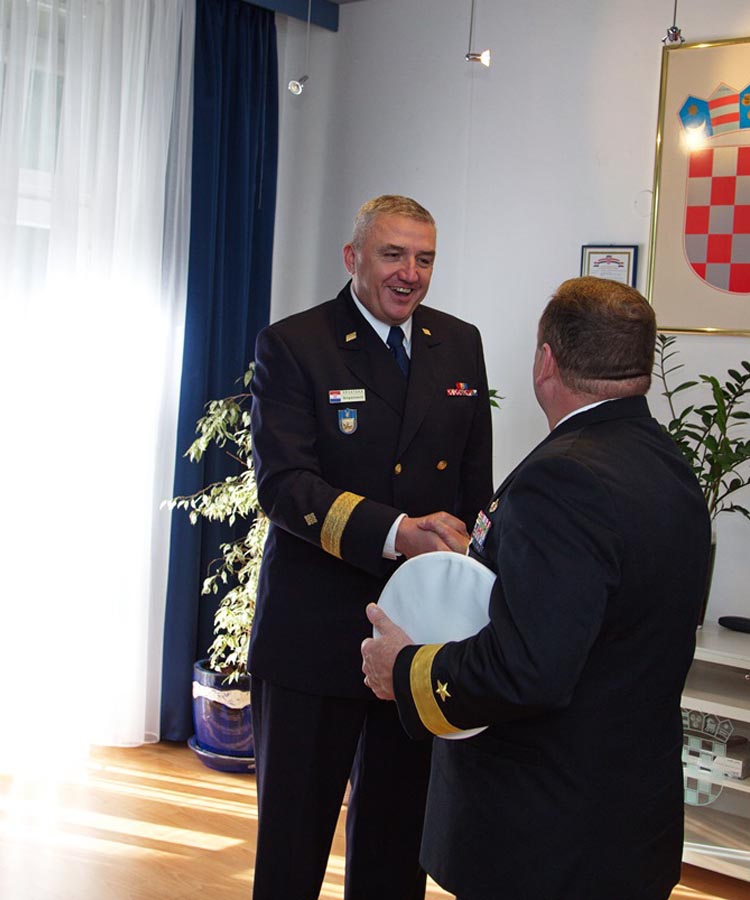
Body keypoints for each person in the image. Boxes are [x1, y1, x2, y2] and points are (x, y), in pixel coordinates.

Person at [361, 276, 712, 900]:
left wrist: (405, 669)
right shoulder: (664, 460)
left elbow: (528, 669)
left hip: (547, 833)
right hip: (625, 814)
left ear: (546, 361)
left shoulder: (562, 479)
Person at [247, 195, 493, 899]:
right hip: (314, 630)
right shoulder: (296, 344)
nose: (410, 273)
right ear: (353, 257)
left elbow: (475, 484)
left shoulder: (459, 342)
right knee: (293, 848)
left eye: (424, 258)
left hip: (418, 636)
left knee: (396, 844)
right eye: (393, 254)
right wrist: (396, 532)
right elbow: (285, 487)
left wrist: (471, 560)